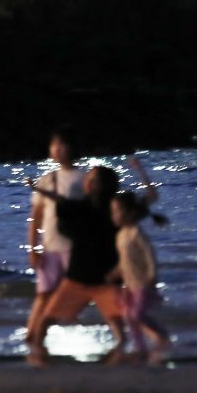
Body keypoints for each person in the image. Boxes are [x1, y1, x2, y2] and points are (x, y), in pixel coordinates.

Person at [27, 165, 124, 365]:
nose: (86, 182)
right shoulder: (115, 211)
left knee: (46, 321)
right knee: (116, 322)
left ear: (99, 186)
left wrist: (48, 195)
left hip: (83, 277)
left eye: (91, 179)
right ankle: (121, 355)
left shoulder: (86, 208)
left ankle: (38, 359)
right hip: (98, 277)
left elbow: (65, 220)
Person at [24, 127, 85, 344]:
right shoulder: (46, 180)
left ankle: (42, 330)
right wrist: (33, 249)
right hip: (50, 247)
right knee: (43, 293)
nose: (57, 149)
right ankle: (32, 335)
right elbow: (36, 218)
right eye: (54, 145)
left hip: (75, 246)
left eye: (62, 144)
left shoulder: (83, 179)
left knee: (74, 292)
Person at [107, 158, 170, 362]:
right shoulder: (120, 235)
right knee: (129, 316)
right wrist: (116, 271)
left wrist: (152, 275)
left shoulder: (135, 233)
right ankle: (140, 346)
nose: (113, 216)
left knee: (136, 316)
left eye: (116, 212)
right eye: (112, 212)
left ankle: (159, 335)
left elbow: (149, 254)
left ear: (128, 213)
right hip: (129, 284)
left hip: (143, 283)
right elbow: (125, 259)